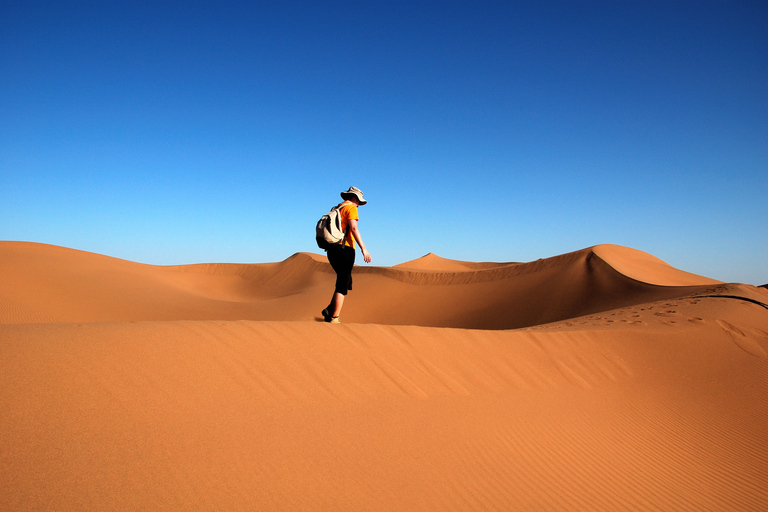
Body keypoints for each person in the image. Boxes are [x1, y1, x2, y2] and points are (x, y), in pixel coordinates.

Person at [322, 186, 372, 323]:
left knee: (346, 280)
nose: (359, 205)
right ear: (354, 198)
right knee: (343, 283)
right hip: (345, 248)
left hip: (331, 249)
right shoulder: (351, 208)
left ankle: (329, 310)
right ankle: (334, 317)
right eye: (359, 202)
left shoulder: (337, 208)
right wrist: (364, 248)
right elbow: (354, 227)